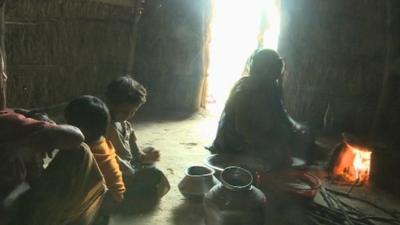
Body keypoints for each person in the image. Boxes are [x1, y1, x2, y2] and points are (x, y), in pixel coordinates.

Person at [0, 50, 105, 225]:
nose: (5, 77)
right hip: (16, 208)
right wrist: (26, 143)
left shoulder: (11, 115)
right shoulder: (9, 122)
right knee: (81, 152)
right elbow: (76, 136)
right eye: (1, 72)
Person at [209, 49, 304, 168]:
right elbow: (244, 131)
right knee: (275, 155)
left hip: (255, 138)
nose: (278, 74)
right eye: (275, 69)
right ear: (266, 70)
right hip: (233, 145)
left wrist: (297, 128)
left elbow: (282, 115)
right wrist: (273, 145)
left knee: (300, 137)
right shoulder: (245, 91)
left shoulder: (271, 88)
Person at [105, 76, 170, 210]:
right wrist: (133, 170)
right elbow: (108, 159)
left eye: (133, 111)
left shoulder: (126, 126)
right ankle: (132, 196)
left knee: (150, 150)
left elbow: (136, 152)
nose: (128, 116)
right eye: (123, 112)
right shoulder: (106, 128)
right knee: (156, 175)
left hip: (131, 163)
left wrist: (144, 157)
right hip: (118, 172)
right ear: (111, 105)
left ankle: (140, 188)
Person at [64, 95, 126, 210]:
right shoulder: (102, 140)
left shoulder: (83, 150)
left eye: (70, 125)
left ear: (83, 129)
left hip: (108, 199)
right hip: (116, 194)